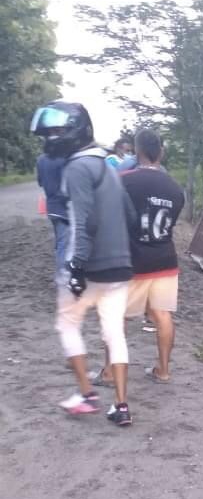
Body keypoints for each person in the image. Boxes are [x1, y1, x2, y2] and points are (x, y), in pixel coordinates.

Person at [30, 101, 134, 426]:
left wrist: (76, 266)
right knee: (114, 333)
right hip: (120, 267)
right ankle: (121, 405)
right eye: (49, 133)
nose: (52, 138)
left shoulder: (75, 167)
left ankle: (87, 394)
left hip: (90, 266)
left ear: (75, 131)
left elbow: (84, 221)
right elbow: (130, 214)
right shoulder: (108, 164)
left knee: (67, 324)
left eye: (58, 131)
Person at [95, 128, 185, 385]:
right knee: (162, 315)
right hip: (165, 261)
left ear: (137, 151)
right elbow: (171, 224)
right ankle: (164, 371)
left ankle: (110, 372)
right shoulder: (175, 189)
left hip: (132, 262)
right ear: (162, 152)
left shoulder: (124, 180)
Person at [35, 153, 69, 279]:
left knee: (60, 242)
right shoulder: (64, 157)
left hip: (51, 206)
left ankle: (62, 273)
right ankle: (62, 277)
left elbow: (40, 182)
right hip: (64, 209)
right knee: (64, 245)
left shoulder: (40, 159)